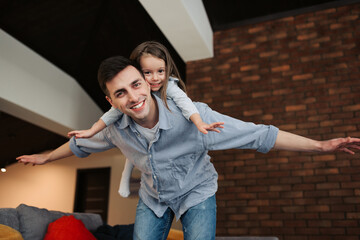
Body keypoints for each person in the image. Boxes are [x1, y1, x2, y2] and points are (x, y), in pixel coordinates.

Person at [17, 55, 360, 240]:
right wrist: (46, 156)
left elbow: (260, 135)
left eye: (136, 85)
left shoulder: (195, 119)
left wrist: (320, 147)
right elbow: (79, 146)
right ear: (111, 101)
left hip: (196, 191)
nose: (133, 97)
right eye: (120, 93)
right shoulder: (114, 129)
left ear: (149, 83)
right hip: (154, 198)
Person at [67, 41, 224, 197]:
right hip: (137, 137)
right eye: (148, 73)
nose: (155, 78)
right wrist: (92, 130)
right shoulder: (133, 93)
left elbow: (185, 103)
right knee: (131, 149)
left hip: (162, 146)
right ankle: (125, 178)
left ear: (167, 69)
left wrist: (198, 122)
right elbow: (111, 114)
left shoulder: (169, 87)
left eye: (160, 71)